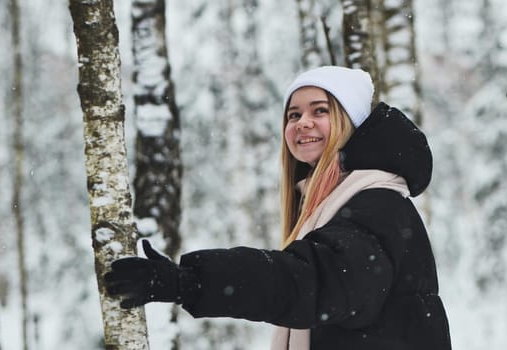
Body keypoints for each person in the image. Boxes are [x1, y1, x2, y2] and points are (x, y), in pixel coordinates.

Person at [105, 66, 451, 349]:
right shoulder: (341, 205)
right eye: (293, 114)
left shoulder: (378, 204)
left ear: (351, 125)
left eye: (320, 111)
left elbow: (309, 282)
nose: (302, 122)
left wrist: (189, 281)